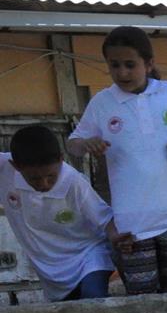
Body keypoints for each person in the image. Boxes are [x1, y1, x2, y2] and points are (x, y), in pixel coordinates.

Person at [66, 26, 167, 295]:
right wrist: (86, 144)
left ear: (149, 64)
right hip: (131, 222)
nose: (122, 73)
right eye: (114, 65)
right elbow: (73, 145)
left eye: (130, 65)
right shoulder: (102, 103)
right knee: (142, 296)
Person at [1, 123, 115, 301]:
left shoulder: (74, 182)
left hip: (87, 256)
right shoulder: (4, 169)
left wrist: (119, 239)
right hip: (49, 267)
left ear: (61, 160)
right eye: (35, 178)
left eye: (51, 176)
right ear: (15, 166)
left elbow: (105, 219)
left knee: (93, 298)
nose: (44, 183)